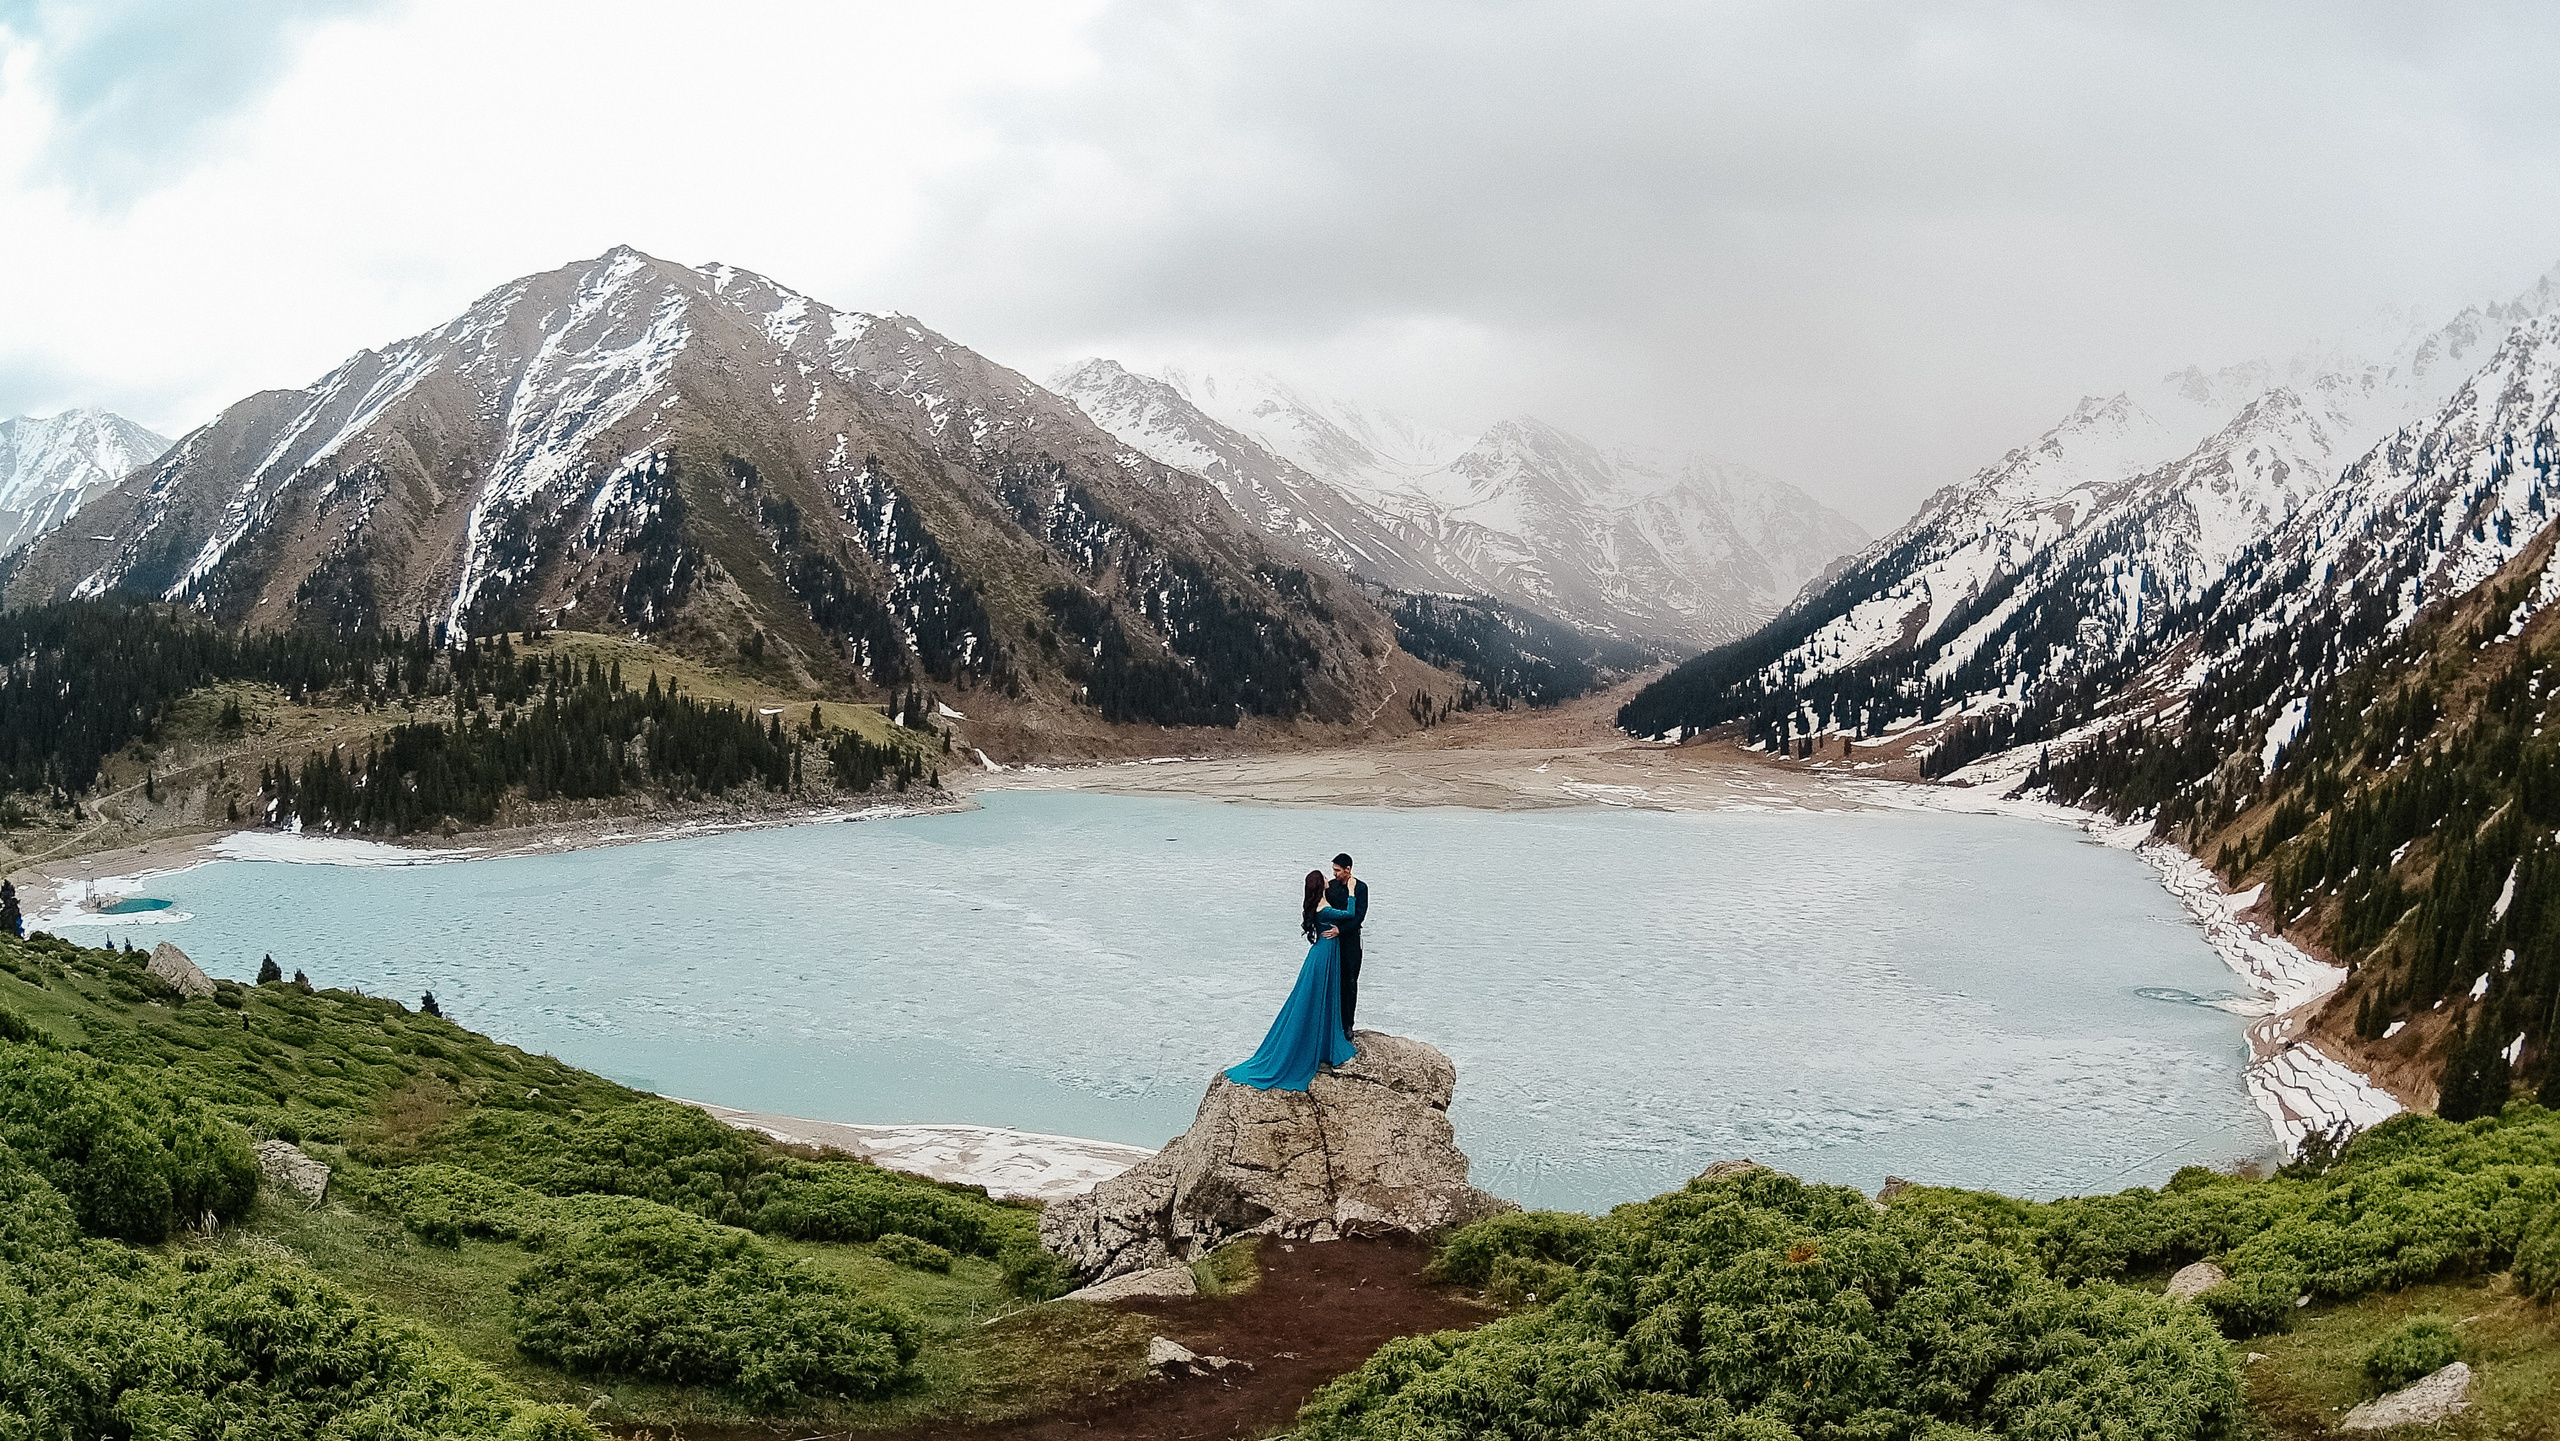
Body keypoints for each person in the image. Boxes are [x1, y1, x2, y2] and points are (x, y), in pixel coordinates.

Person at [1225, 871, 1362, 1091]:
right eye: (1325, 878)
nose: (1329, 878)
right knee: (1315, 997)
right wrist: (1353, 890)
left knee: (1319, 997)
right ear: (1321, 885)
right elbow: (1350, 913)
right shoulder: (1323, 908)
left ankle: (1322, 1039)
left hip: (1322, 954)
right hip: (1324, 956)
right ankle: (1316, 1043)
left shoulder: (1320, 903)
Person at [1325, 853, 1369, 1041]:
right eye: (1333, 870)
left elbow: (1359, 916)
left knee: (1350, 982)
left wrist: (1340, 930)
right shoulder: (1332, 887)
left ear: (1348, 870)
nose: (1334, 874)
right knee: (1333, 980)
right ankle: (1331, 1022)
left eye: (1337, 870)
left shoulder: (1361, 888)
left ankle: (1348, 1024)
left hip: (1350, 940)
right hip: (1332, 939)